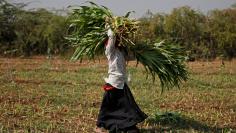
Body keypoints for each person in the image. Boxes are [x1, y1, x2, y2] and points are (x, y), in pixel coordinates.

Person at [95, 27, 147, 133]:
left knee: (127, 106)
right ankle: (100, 126)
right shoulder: (110, 52)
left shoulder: (121, 52)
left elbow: (132, 56)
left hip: (122, 83)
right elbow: (112, 36)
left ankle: (126, 124)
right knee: (107, 107)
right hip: (113, 83)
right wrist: (110, 26)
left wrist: (141, 51)